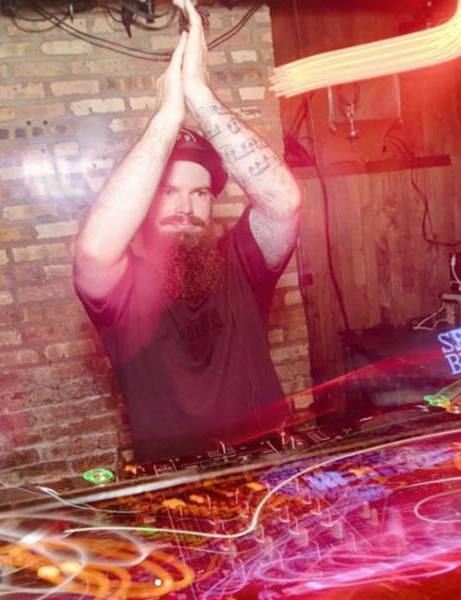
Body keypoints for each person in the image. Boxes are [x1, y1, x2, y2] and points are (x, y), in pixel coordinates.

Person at [73, 0, 301, 462]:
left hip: (268, 468)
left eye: (199, 193)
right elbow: (94, 251)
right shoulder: (122, 289)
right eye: (167, 192)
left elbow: (284, 202)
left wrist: (199, 94)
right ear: (143, 204)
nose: (185, 207)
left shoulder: (241, 263)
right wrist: (166, 119)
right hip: (174, 486)